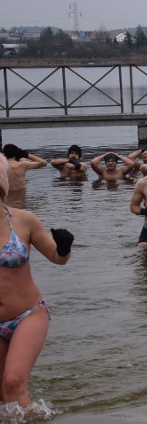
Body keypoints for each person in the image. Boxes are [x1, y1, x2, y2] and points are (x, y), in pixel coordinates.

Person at [0, 153, 74, 408]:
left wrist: (64, 247)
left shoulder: (24, 220)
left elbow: (57, 258)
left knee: (12, 382)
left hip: (27, 314)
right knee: (3, 394)